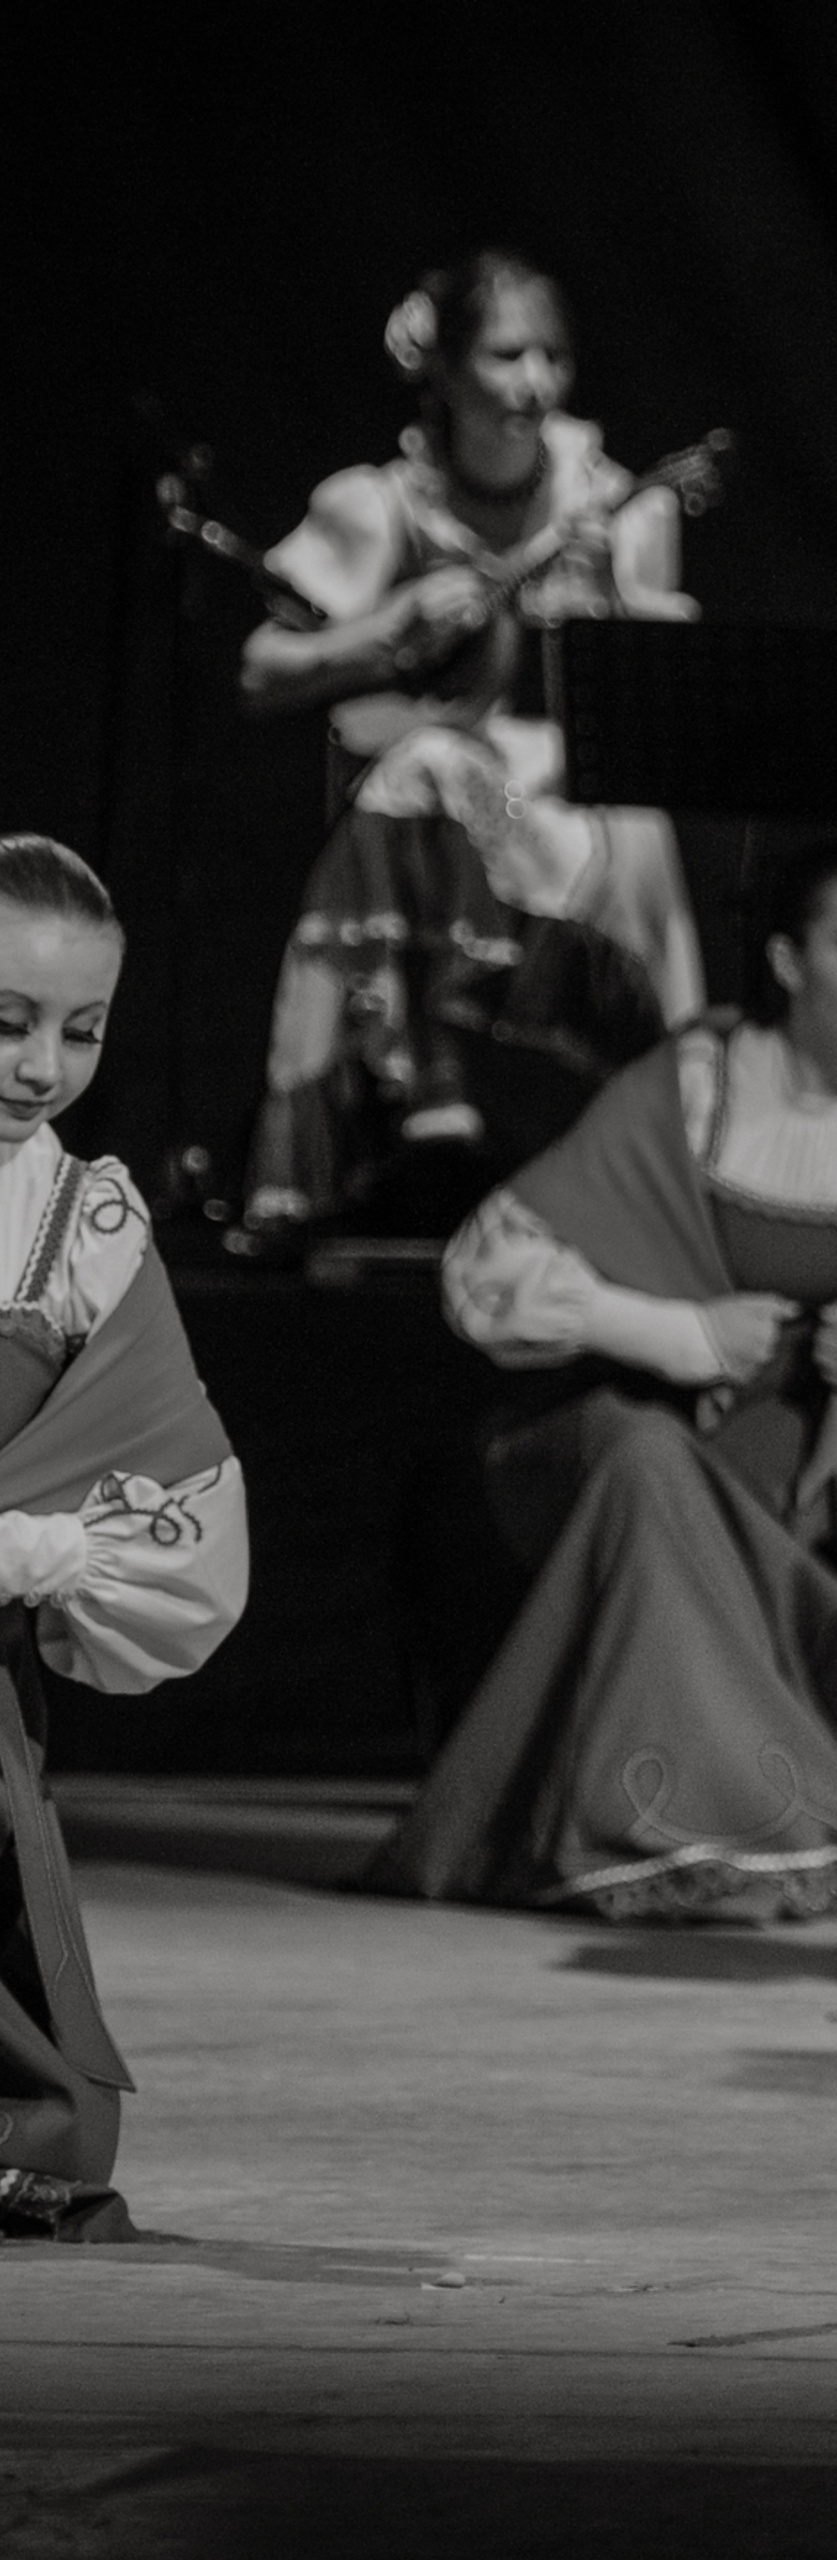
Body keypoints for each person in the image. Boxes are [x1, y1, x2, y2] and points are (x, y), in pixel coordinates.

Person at [363, 837, 837, 1922]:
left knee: (712, 1489)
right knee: (649, 1466)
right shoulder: (696, 1086)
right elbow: (488, 1272)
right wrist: (682, 1334)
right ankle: (673, 1833)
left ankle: (695, 1826)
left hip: (800, 1471)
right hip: (609, 1432)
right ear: (790, 963)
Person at [239, 249, 706, 1236]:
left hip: (578, 796)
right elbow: (263, 669)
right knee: (429, 767)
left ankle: (594, 1131)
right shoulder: (383, 505)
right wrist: (389, 625)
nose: (535, 384)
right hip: (449, 804)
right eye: (506, 356)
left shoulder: (609, 501)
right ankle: (426, 1081)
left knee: (592, 816)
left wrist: (619, 610)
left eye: (553, 356)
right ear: (445, 371)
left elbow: (671, 696)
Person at [0, 838, 246, 2238]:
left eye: (80, 1030)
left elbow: (165, 1468)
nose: (42, 1067)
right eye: (7, 1022)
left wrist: (39, 1550)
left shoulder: (81, 1217)